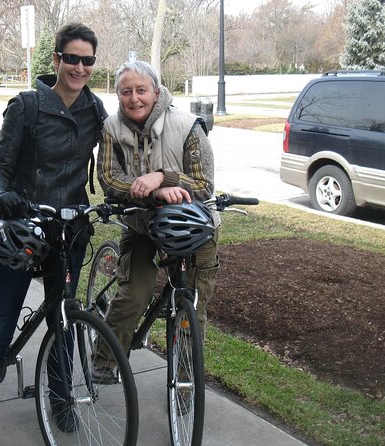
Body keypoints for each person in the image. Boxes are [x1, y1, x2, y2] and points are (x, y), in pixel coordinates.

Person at [0, 23, 107, 446]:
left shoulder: (95, 110)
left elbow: (123, 152)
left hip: (70, 231)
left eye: (87, 61)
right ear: (57, 60)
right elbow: (0, 165)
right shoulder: (26, 107)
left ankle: (59, 398)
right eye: (72, 58)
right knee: (1, 327)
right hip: (24, 229)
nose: (79, 67)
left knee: (63, 320)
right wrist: (2, 197)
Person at [92, 60, 220, 380]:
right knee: (135, 293)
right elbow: (109, 180)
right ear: (118, 95)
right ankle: (104, 360)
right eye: (126, 92)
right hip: (142, 222)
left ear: (157, 91)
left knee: (193, 305)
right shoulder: (110, 129)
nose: (134, 98)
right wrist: (149, 193)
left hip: (193, 226)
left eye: (141, 90)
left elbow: (204, 185)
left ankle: (186, 381)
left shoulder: (189, 126)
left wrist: (163, 178)